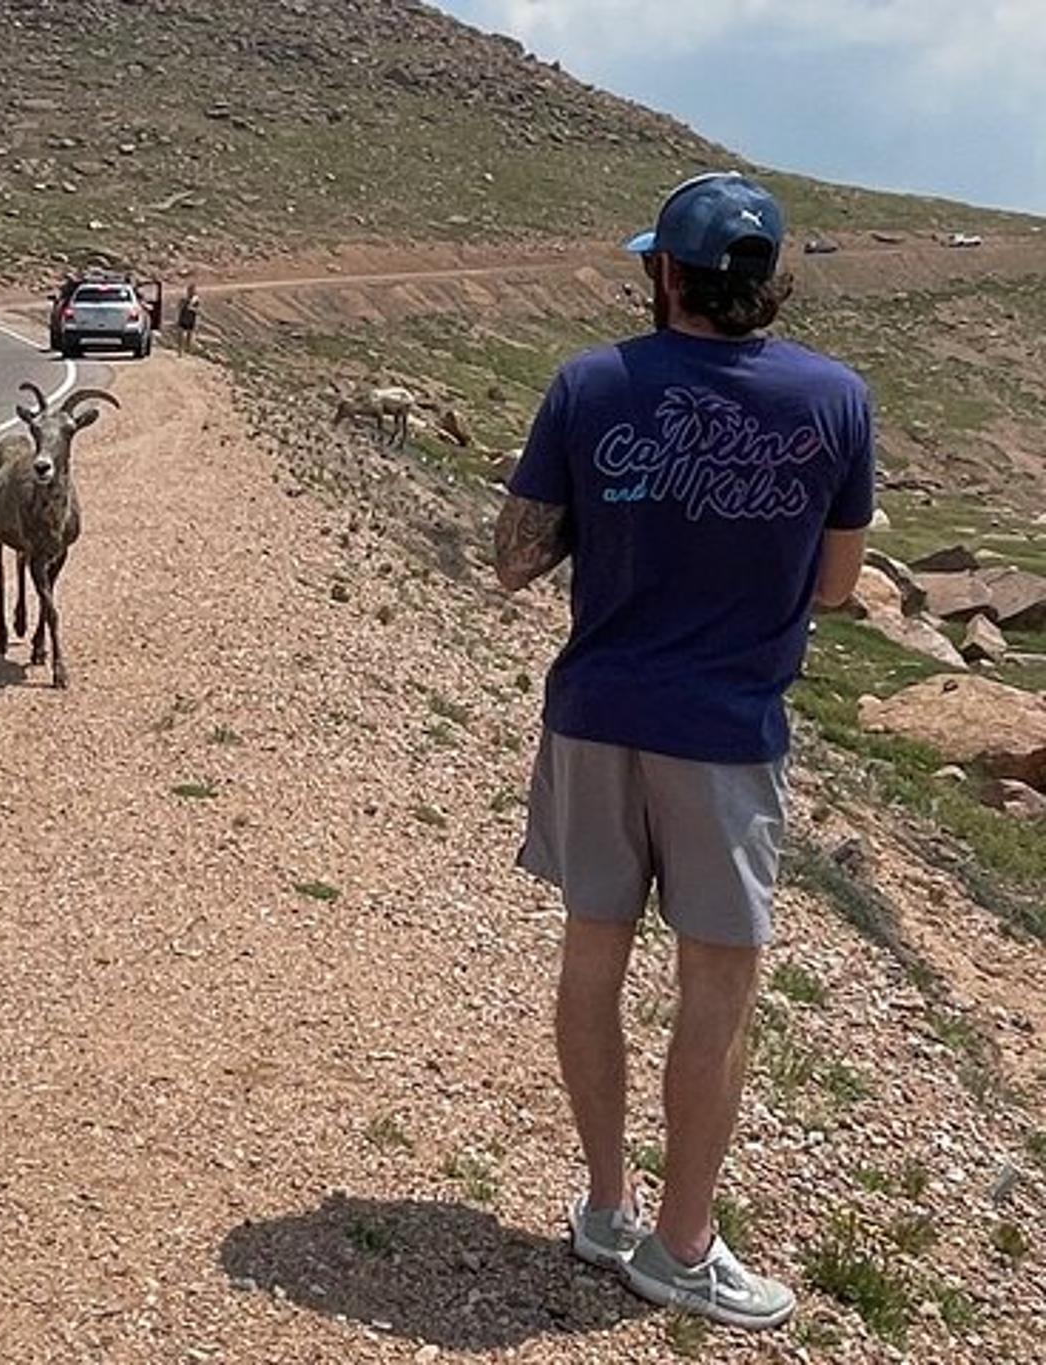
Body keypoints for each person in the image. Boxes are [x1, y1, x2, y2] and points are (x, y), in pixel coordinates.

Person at [493, 171, 873, 1332]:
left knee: (591, 957)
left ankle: (607, 1207)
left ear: (664, 274)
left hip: (595, 715)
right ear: (767, 280)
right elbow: (837, 584)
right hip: (726, 735)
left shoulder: (588, 383)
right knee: (715, 989)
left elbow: (513, 558)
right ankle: (681, 1245)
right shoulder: (835, 400)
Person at [176, 282, 201, 353]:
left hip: (191, 319)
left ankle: (187, 349)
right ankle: (180, 349)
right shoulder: (184, 299)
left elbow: (198, 310)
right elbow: (179, 307)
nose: (191, 292)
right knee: (180, 334)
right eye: (190, 290)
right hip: (183, 318)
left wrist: (191, 308)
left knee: (189, 335)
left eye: (192, 290)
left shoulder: (196, 300)